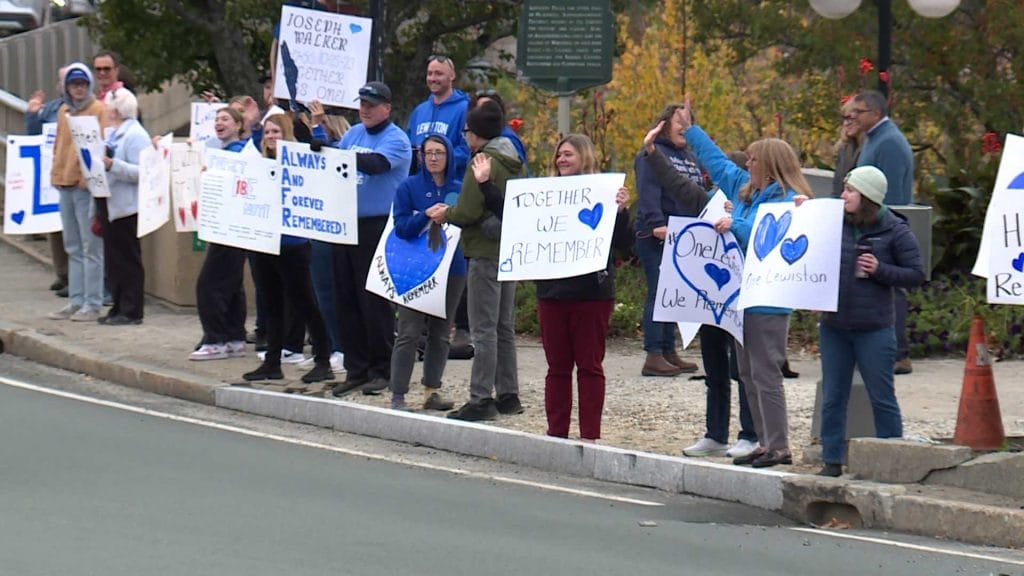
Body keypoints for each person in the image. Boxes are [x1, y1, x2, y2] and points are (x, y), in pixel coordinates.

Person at [680, 96, 814, 468]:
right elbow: (717, 162)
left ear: (769, 166)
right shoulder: (745, 190)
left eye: (753, 159)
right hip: (740, 297)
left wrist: (733, 224)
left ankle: (779, 445)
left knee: (766, 373)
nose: (747, 163)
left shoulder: (791, 200)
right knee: (747, 373)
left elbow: (766, 234)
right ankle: (763, 441)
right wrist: (691, 129)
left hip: (768, 300)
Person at [638, 126, 760, 459]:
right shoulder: (712, 202)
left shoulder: (764, 203)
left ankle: (750, 433)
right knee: (714, 366)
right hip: (710, 297)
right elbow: (679, 185)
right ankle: (715, 434)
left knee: (743, 370)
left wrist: (735, 223)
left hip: (743, 298)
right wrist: (653, 154)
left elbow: (763, 233)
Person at [815, 166, 924, 477]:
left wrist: (880, 270)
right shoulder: (834, 222)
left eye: (850, 190)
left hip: (875, 328)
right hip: (835, 325)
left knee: (882, 397)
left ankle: (891, 461)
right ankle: (831, 459)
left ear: (867, 196)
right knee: (833, 396)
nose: (843, 195)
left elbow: (916, 273)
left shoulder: (895, 229)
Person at [426, 100, 524, 421]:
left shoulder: (481, 162)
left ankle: (480, 398)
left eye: (467, 130)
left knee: (483, 329)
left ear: (477, 133)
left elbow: (467, 210)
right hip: (508, 253)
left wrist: (447, 213)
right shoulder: (513, 160)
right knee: (504, 327)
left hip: (483, 251)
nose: (465, 136)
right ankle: (508, 394)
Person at [532, 134, 631, 441]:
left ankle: (590, 435)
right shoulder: (543, 195)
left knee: (589, 365)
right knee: (557, 367)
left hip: (591, 293)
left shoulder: (606, 193)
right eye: (559, 154)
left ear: (584, 157)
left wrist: (621, 213)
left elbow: (624, 245)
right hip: (552, 292)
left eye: (568, 154)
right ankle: (556, 432)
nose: (561, 159)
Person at [328, 82, 412, 396]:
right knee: (346, 298)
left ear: (386, 108)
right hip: (347, 223)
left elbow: (377, 165)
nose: (365, 109)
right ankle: (357, 368)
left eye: (371, 105)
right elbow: (332, 166)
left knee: (373, 300)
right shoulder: (352, 135)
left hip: (377, 224)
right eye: (362, 104)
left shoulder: (396, 139)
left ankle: (382, 368)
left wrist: (337, 155)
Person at [241, 114, 335, 384]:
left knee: (304, 302)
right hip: (264, 242)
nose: (271, 136)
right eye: (268, 132)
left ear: (286, 134)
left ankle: (323, 360)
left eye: (276, 131)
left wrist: (318, 129)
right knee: (271, 304)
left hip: (293, 244)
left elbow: (323, 158)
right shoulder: (260, 164)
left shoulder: (298, 161)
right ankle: (272, 362)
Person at [388, 134, 466, 411]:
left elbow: (470, 222)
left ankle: (432, 390)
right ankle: (398, 393)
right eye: (428, 152)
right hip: (415, 268)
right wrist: (425, 215)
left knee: (441, 332)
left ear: (449, 156)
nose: (433, 158)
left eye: (439, 152)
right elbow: (401, 228)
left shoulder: (460, 188)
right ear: (421, 156)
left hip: (452, 268)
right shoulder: (408, 187)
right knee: (408, 331)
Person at [633, 103, 703, 377]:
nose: (684, 127)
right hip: (658, 234)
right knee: (659, 292)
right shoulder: (651, 153)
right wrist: (656, 223)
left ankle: (668, 350)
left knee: (673, 293)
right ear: (664, 124)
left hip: (684, 234)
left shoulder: (690, 156)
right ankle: (653, 354)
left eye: (688, 122)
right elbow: (647, 189)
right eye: (679, 121)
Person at [852, 89, 916, 375]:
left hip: (883, 227)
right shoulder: (873, 139)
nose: (853, 116)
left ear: (876, 113)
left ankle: (898, 353)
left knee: (892, 290)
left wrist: (881, 225)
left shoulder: (889, 142)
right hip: (869, 224)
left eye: (859, 112)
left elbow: (890, 193)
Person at [47, 62, 106, 323]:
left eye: (82, 84)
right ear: (67, 88)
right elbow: (59, 144)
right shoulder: (64, 111)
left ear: (88, 85)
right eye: (74, 85)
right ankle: (76, 299)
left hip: (84, 186)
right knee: (72, 245)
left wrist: (86, 177)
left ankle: (92, 302)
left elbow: (100, 145)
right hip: (65, 184)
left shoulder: (98, 110)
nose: (78, 89)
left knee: (90, 245)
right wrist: (56, 172)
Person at [189, 107, 249, 360]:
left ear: (238, 125)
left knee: (208, 284)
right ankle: (234, 337)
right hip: (226, 226)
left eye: (225, 119)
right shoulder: (222, 151)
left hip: (229, 227)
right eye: (216, 119)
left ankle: (215, 340)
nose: (218, 123)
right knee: (232, 283)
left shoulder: (239, 153)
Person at [95, 88, 149, 325]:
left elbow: (142, 171)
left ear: (116, 110)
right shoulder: (113, 133)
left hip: (127, 206)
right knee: (114, 259)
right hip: (110, 202)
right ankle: (118, 305)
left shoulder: (135, 135)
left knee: (128, 259)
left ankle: (132, 309)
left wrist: (113, 165)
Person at [25, 66, 69, 298]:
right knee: (55, 226)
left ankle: (76, 277)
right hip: (53, 171)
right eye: (63, 81)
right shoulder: (51, 108)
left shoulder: (88, 107)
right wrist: (32, 113)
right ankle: (62, 273)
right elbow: (34, 134)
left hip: (75, 174)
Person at [406, 55, 470, 176]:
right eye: (429, 74)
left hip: (452, 182)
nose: (433, 78)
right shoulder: (419, 111)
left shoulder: (465, 109)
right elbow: (408, 145)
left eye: (439, 74)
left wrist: (438, 159)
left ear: (452, 76)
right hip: (420, 181)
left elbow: (468, 150)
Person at [832, 99, 866, 198]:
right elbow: (837, 187)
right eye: (844, 119)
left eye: (851, 118)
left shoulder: (870, 149)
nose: (846, 124)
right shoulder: (843, 148)